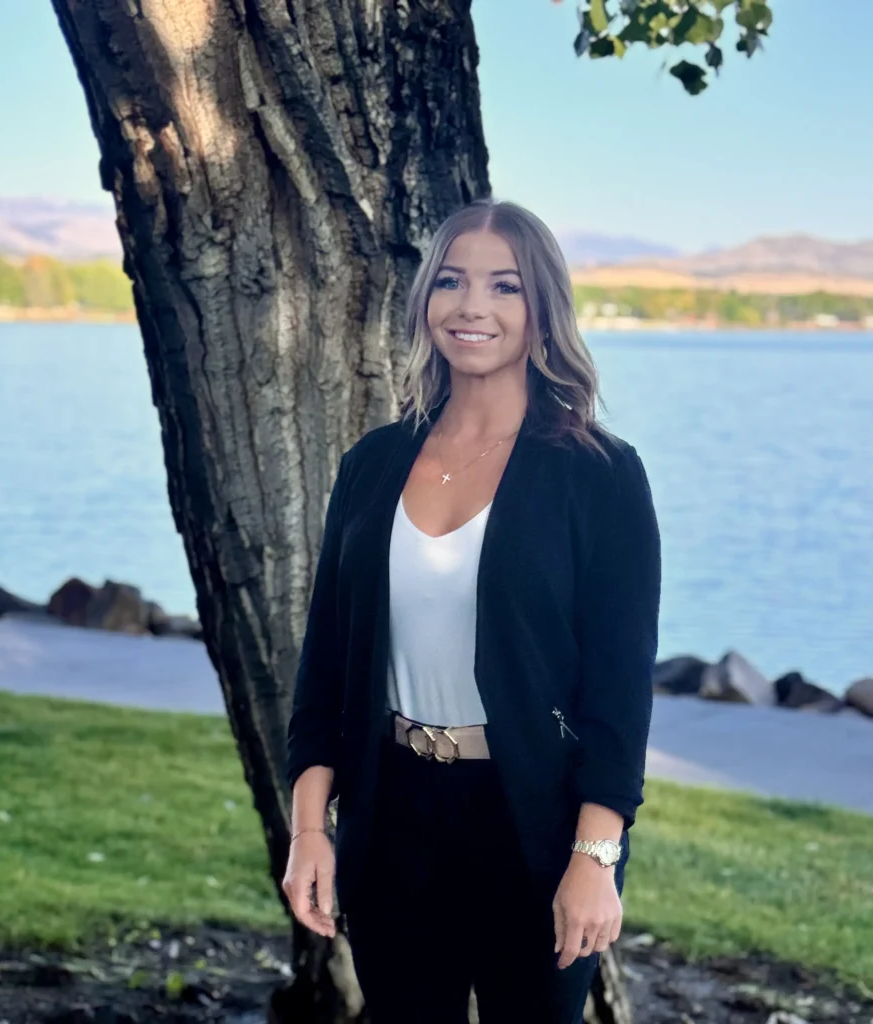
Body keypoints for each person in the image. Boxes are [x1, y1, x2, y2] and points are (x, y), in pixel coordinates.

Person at [282, 198, 661, 1023]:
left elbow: (619, 691)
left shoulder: (598, 475)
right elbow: (326, 671)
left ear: (542, 310)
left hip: (534, 825)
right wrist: (310, 832)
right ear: (425, 299)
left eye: (504, 286)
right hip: (391, 818)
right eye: (451, 281)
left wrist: (595, 857)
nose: (472, 306)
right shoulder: (372, 465)